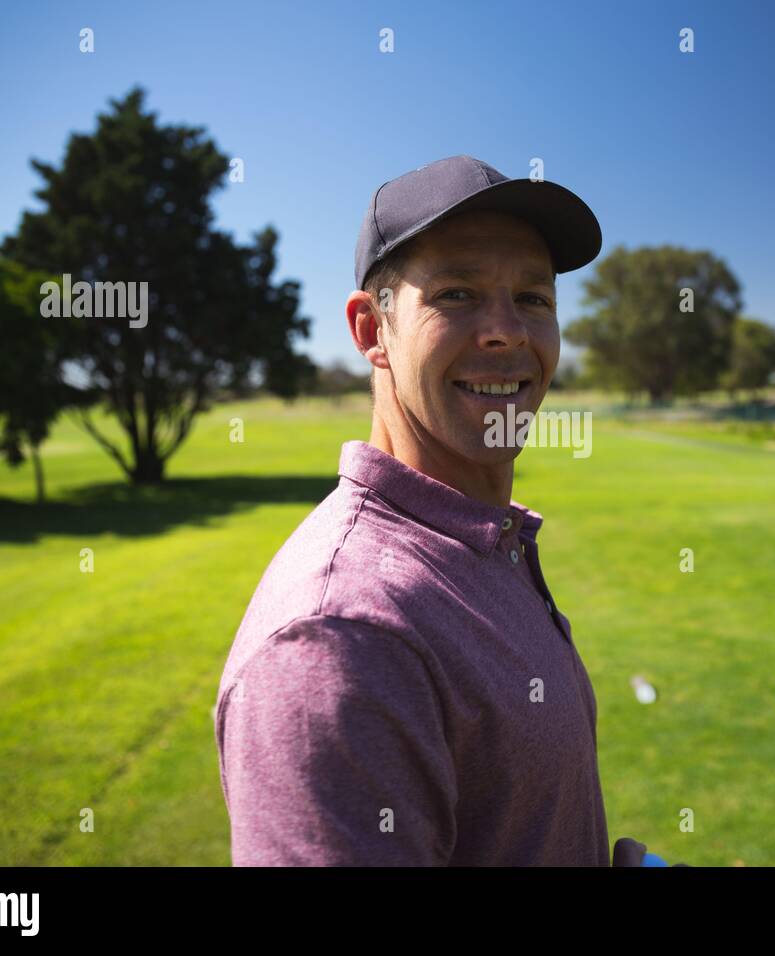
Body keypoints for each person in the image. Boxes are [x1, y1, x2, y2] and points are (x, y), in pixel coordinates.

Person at [214, 155, 615, 865]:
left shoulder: (483, 541)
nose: (506, 332)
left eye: (533, 298)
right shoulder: (340, 637)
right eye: (457, 294)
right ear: (372, 331)